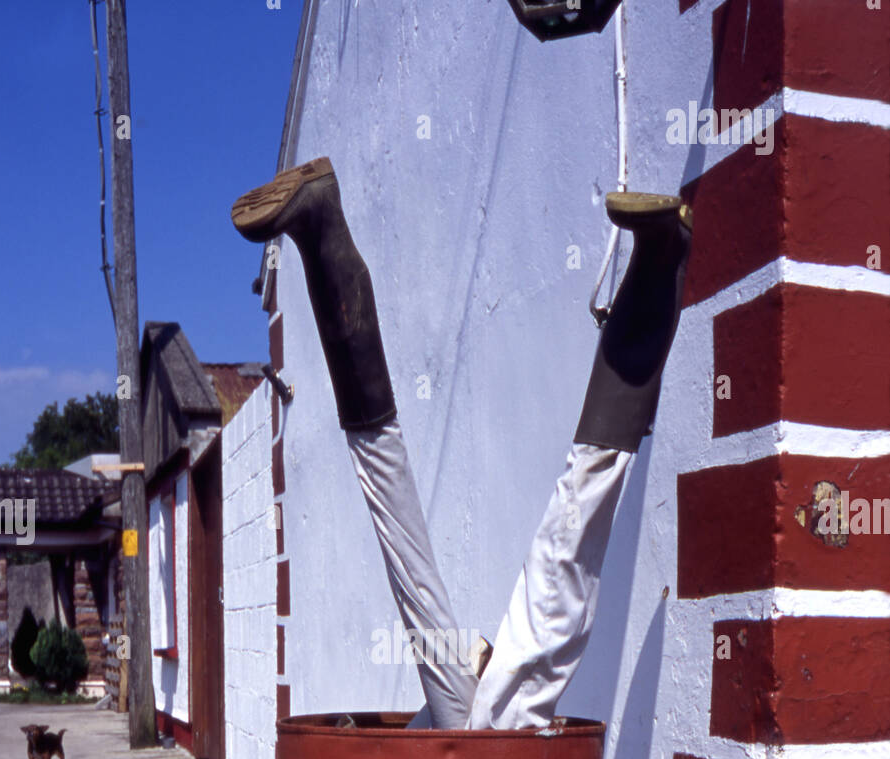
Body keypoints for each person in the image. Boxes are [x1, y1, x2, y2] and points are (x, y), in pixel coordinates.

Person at [231, 157, 691, 730]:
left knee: (531, 531)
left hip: (475, 746)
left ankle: (322, 225)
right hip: (493, 749)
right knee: (562, 534)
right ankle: (660, 263)